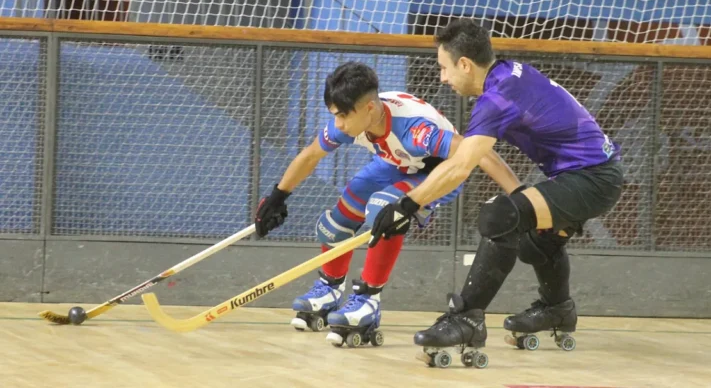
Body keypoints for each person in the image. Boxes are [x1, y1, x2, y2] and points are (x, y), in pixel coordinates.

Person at [369, 18, 624, 364]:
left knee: (501, 215)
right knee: (536, 240)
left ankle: (466, 319)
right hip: (588, 174)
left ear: (465, 64)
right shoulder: (508, 74)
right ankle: (558, 309)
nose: (442, 78)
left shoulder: (497, 97)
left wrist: (406, 205)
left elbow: (461, 165)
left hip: (593, 179)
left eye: (444, 68)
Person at [254, 61, 520, 347]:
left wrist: (521, 197)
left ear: (369, 108)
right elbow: (310, 155)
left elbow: (479, 153)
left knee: (385, 210)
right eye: (334, 115)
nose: (338, 124)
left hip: (436, 172)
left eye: (342, 115)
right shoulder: (352, 120)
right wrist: (279, 195)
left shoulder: (415, 130)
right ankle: (330, 289)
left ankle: (368, 300)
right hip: (395, 162)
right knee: (336, 222)